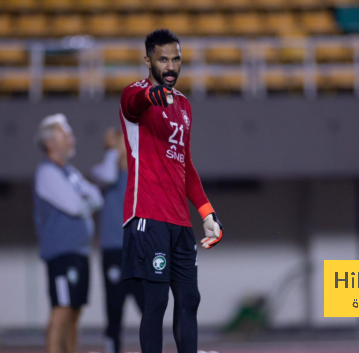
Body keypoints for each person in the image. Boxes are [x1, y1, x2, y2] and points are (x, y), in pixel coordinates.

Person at [118, 29, 225, 353]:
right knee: (156, 301)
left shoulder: (184, 106)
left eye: (176, 59)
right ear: (148, 60)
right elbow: (133, 104)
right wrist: (151, 96)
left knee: (190, 299)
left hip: (179, 221)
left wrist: (207, 213)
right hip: (147, 215)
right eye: (163, 59)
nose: (170, 66)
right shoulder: (134, 94)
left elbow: (186, 167)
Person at [33, 113, 104, 353]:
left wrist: (84, 201)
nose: (71, 138)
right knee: (61, 309)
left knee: (74, 311)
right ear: (50, 142)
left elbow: (96, 197)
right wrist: (84, 203)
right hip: (61, 253)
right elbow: (76, 206)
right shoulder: (47, 173)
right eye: (65, 134)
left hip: (79, 252)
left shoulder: (70, 172)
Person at [91, 127, 146, 353]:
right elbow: (108, 174)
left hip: (139, 250)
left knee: (147, 305)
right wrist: (113, 151)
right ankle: (113, 348)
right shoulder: (103, 174)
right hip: (114, 250)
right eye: (118, 142)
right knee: (114, 307)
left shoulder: (141, 174)